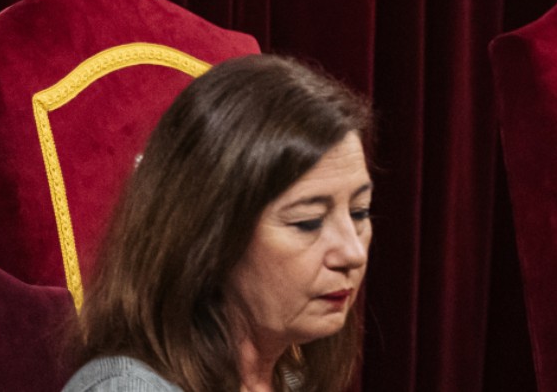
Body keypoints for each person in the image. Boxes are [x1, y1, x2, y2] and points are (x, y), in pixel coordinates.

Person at [62, 55, 373, 392]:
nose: (353, 253)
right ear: (208, 235)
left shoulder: (292, 383)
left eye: (359, 212)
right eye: (308, 222)